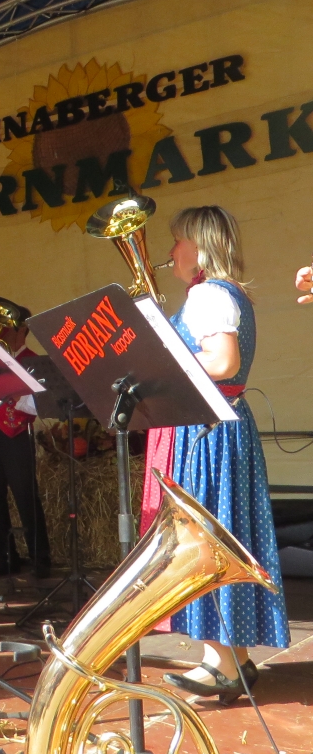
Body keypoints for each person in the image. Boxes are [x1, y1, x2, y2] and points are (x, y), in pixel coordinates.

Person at [138, 206, 288, 703]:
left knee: (203, 541)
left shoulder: (207, 295)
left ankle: (220, 663)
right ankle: (234, 660)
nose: (170, 252)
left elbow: (223, 361)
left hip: (207, 432)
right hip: (223, 427)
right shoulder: (227, 293)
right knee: (220, 533)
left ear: (200, 247)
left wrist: (162, 362)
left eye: (177, 241)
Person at [0, 303, 51, 578]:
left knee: (25, 496)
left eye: (7, 326)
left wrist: (16, 395)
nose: (2, 331)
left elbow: (39, 406)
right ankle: (6, 556)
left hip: (15, 435)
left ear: (22, 330)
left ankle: (40, 558)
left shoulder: (33, 361)